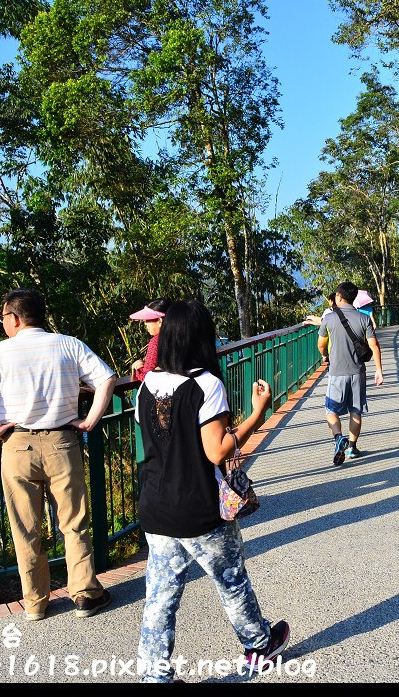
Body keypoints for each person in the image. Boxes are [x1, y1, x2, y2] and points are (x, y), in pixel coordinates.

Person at [135, 299, 289, 681]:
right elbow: (217, 449)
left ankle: (155, 676)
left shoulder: (147, 384)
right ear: (202, 337)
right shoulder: (207, 385)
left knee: (160, 596)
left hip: (156, 504)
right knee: (231, 581)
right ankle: (259, 644)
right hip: (199, 507)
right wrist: (258, 412)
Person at [0, 288, 117, 621]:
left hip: (17, 446)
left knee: (26, 529)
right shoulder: (69, 344)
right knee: (74, 524)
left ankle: (35, 603)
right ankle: (84, 594)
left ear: (13, 317)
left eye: (3, 318)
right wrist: (89, 421)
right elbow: (107, 378)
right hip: (62, 442)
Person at [318, 281, 385, 466]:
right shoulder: (364, 318)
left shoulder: (329, 319)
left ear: (339, 297)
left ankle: (339, 437)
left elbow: (321, 345)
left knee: (331, 410)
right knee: (355, 411)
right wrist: (379, 370)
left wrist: (325, 356)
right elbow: (374, 345)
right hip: (358, 372)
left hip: (337, 372)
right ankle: (352, 448)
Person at [130, 298, 171, 381]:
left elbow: (148, 377)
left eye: (148, 319)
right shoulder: (183, 336)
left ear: (159, 321)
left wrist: (138, 367)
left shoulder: (156, 342)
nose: (145, 323)